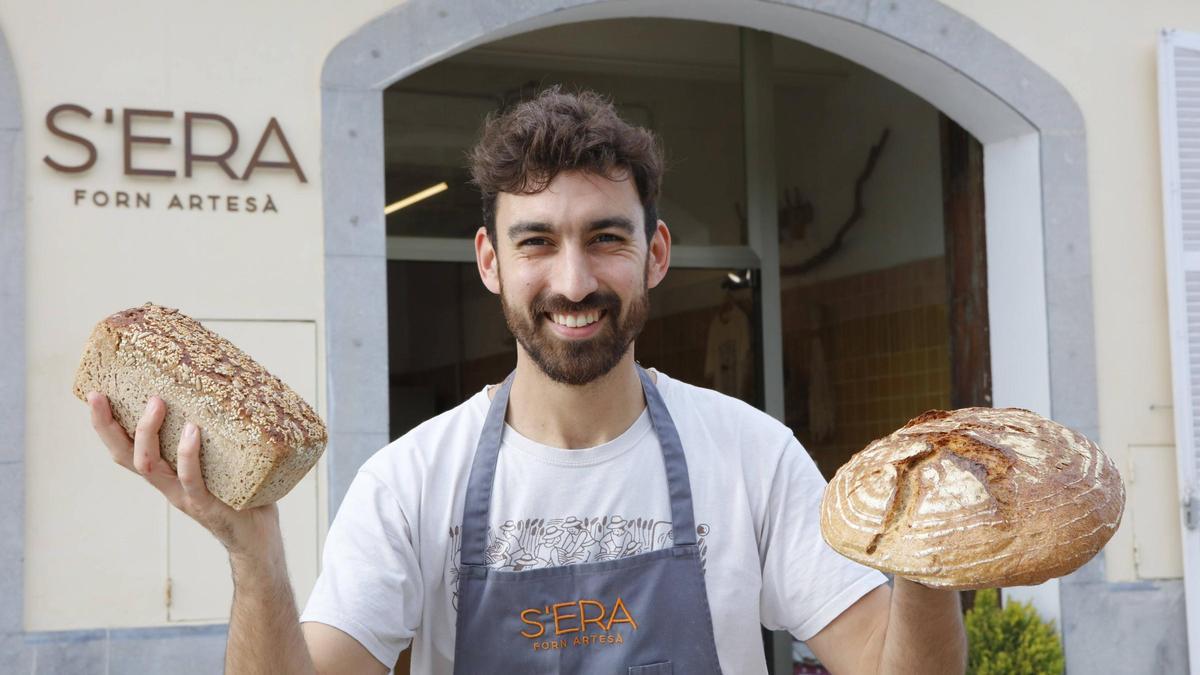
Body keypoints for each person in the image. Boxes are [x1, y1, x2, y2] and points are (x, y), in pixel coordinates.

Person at [85, 87, 967, 674]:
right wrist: (254, 554)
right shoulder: (408, 483)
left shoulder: (750, 456)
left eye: (606, 238)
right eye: (537, 241)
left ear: (656, 254)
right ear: (490, 262)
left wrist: (935, 549)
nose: (574, 282)